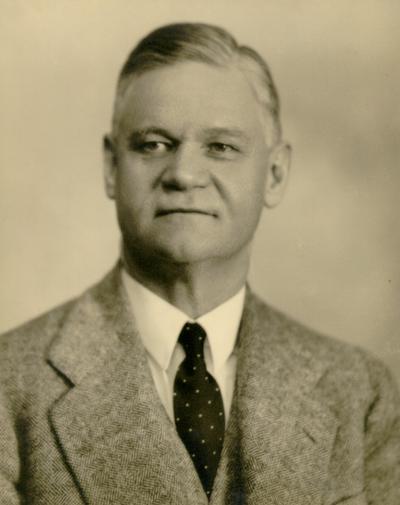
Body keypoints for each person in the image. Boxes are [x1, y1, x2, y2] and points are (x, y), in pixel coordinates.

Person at [0, 22, 399, 505]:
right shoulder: (9, 385)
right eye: (153, 144)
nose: (185, 174)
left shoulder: (360, 394)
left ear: (274, 174)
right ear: (110, 167)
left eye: (221, 147)